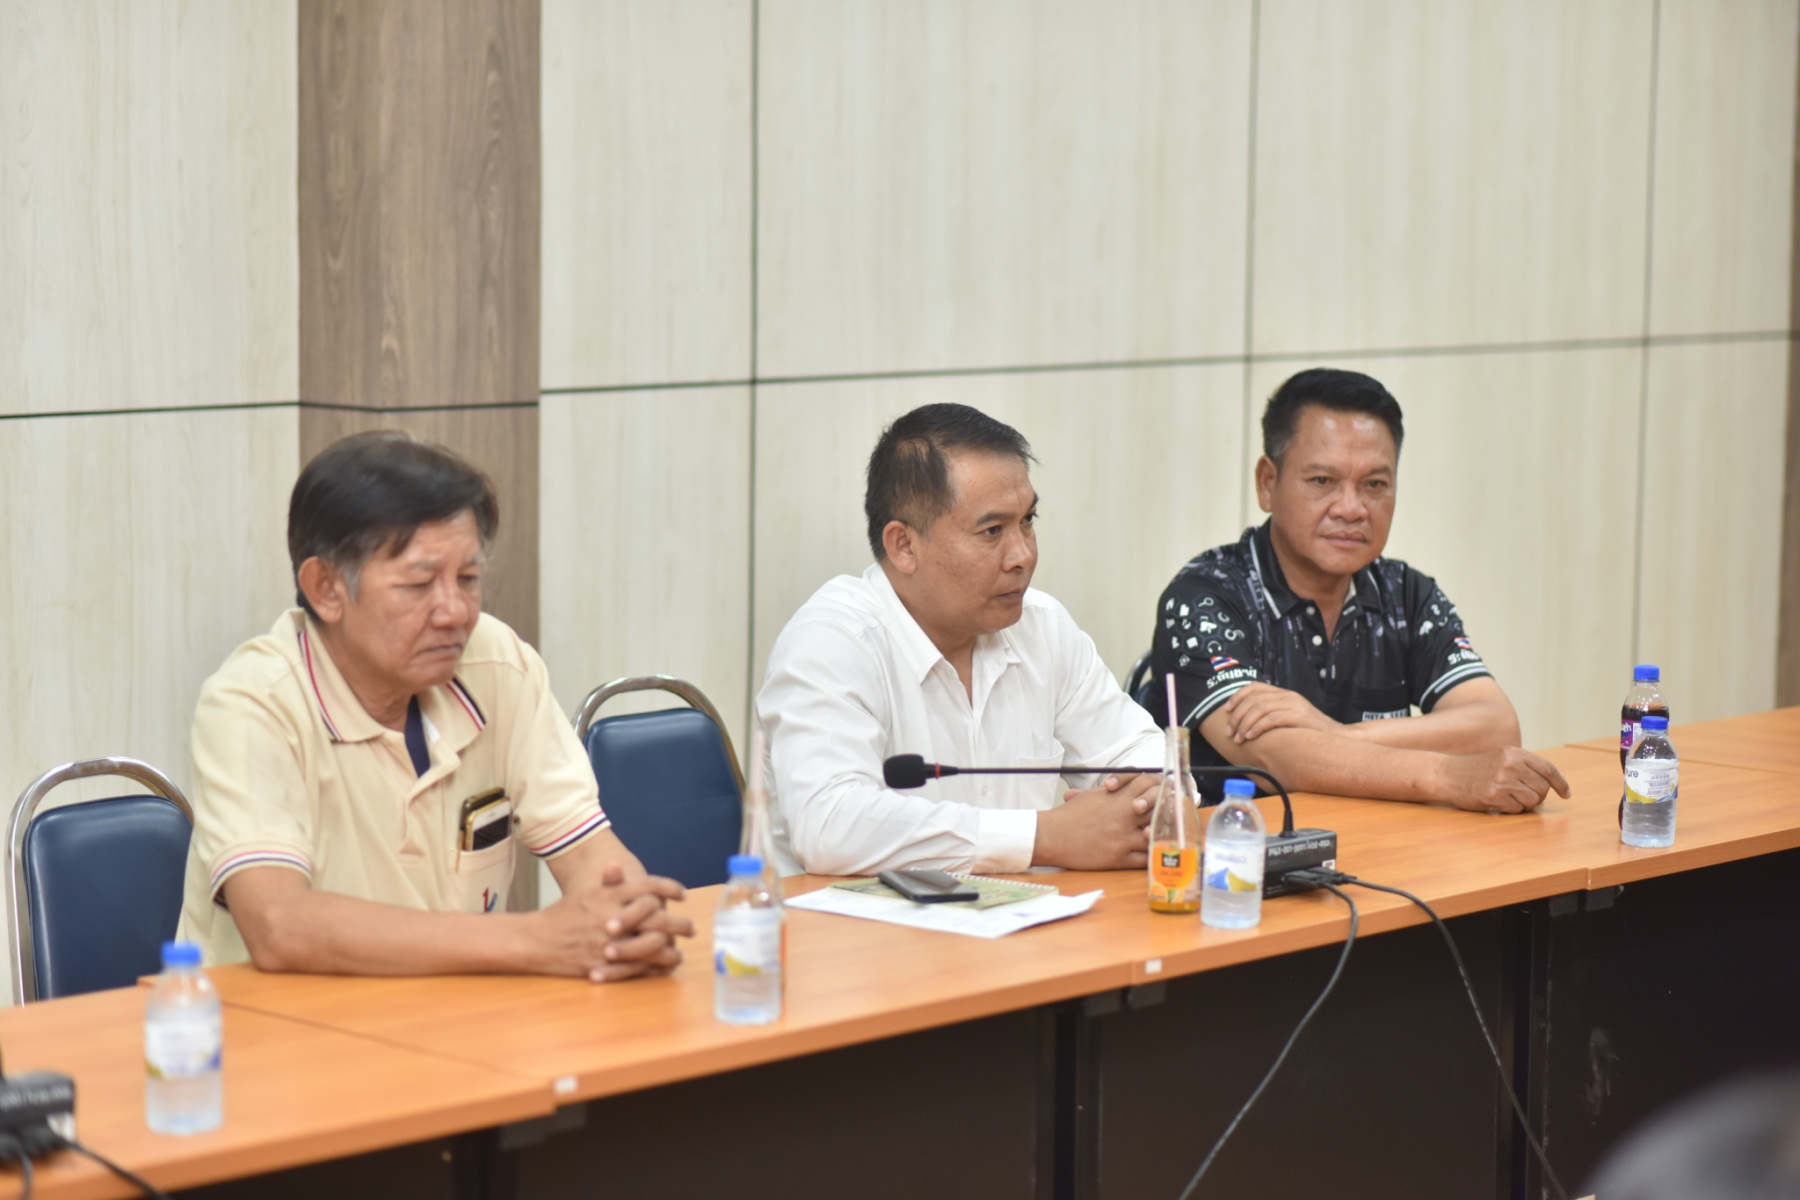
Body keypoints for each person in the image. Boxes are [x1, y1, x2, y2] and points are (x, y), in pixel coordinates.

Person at [176, 432, 693, 980]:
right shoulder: (252, 703)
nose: (455, 612)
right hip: (275, 1025)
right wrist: (538, 938)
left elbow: (587, 850)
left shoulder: (496, 662)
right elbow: (280, 924)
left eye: (468, 579)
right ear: (326, 588)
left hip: (456, 1014)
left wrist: (623, 920)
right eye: (419, 584)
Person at [756, 403, 1166, 877]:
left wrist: (1157, 802)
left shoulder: (1042, 626)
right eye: (992, 531)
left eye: (1028, 521)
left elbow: (1141, 755)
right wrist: (1046, 836)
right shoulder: (831, 642)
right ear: (903, 545)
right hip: (845, 922)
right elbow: (830, 825)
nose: (1023, 555)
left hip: (1023, 918)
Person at [1151, 368, 1570, 812]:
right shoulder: (1204, 596)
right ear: (1268, 483)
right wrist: (1447, 775)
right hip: (1237, 849)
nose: (1351, 509)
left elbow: (1495, 726)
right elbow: (1277, 757)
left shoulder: (1406, 595)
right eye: (1322, 481)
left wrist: (1337, 733)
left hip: (1383, 846)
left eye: (1374, 484)